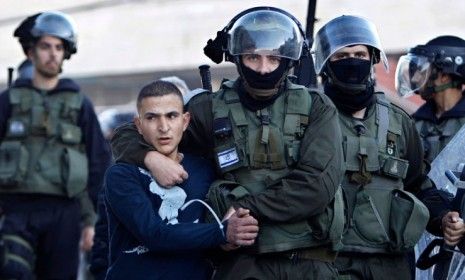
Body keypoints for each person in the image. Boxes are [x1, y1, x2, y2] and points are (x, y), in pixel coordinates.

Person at [111, 6, 345, 279]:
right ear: (236, 57)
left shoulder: (316, 107)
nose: (263, 68)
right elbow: (127, 134)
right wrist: (150, 157)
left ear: (288, 59)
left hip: (308, 260)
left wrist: (246, 207)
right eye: (252, 57)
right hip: (242, 263)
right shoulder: (209, 109)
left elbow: (317, 185)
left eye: (272, 58)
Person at [312, 15, 431, 280]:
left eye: (359, 54)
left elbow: (419, 185)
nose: (352, 61)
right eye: (341, 57)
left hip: (390, 265)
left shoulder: (399, 122)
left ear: (373, 58)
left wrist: (444, 216)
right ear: (325, 65)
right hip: (327, 263)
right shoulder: (308, 119)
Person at [103, 80, 258, 279]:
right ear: (139, 126)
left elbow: (209, 239)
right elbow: (153, 234)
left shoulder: (205, 170)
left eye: (171, 116)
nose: (164, 127)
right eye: (152, 118)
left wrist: (230, 235)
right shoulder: (121, 175)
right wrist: (221, 232)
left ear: (185, 121)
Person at [0, 11, 111, 279]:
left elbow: (98, 164)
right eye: (45, 46)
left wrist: (93, 222)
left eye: (59, 47)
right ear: (31, 52)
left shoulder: (79, 104)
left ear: (66, 53)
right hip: (17, 210)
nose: (52, 54)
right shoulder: (9, 100)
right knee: (13, 272)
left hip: (64, 213)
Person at [396, 35, 465, 279]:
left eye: (423, 69)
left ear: (445, 75)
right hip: (418, 233)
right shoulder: (411, 123)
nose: (415, 78)